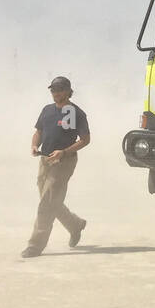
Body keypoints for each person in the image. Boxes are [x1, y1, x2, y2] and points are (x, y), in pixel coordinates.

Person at [24, 77, 90, 258]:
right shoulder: (47, 110)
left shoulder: (77, 113)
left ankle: (35, 246)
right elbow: (38, 132)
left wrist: (64, 152)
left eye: (60, 89)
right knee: (51, 202)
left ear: (68, 91)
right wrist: (34, 145)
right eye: (53, 90)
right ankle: (75, 225)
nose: (56, 93)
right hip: (44, 160)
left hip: (63, 162)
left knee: (46, 204)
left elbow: (85, 140)